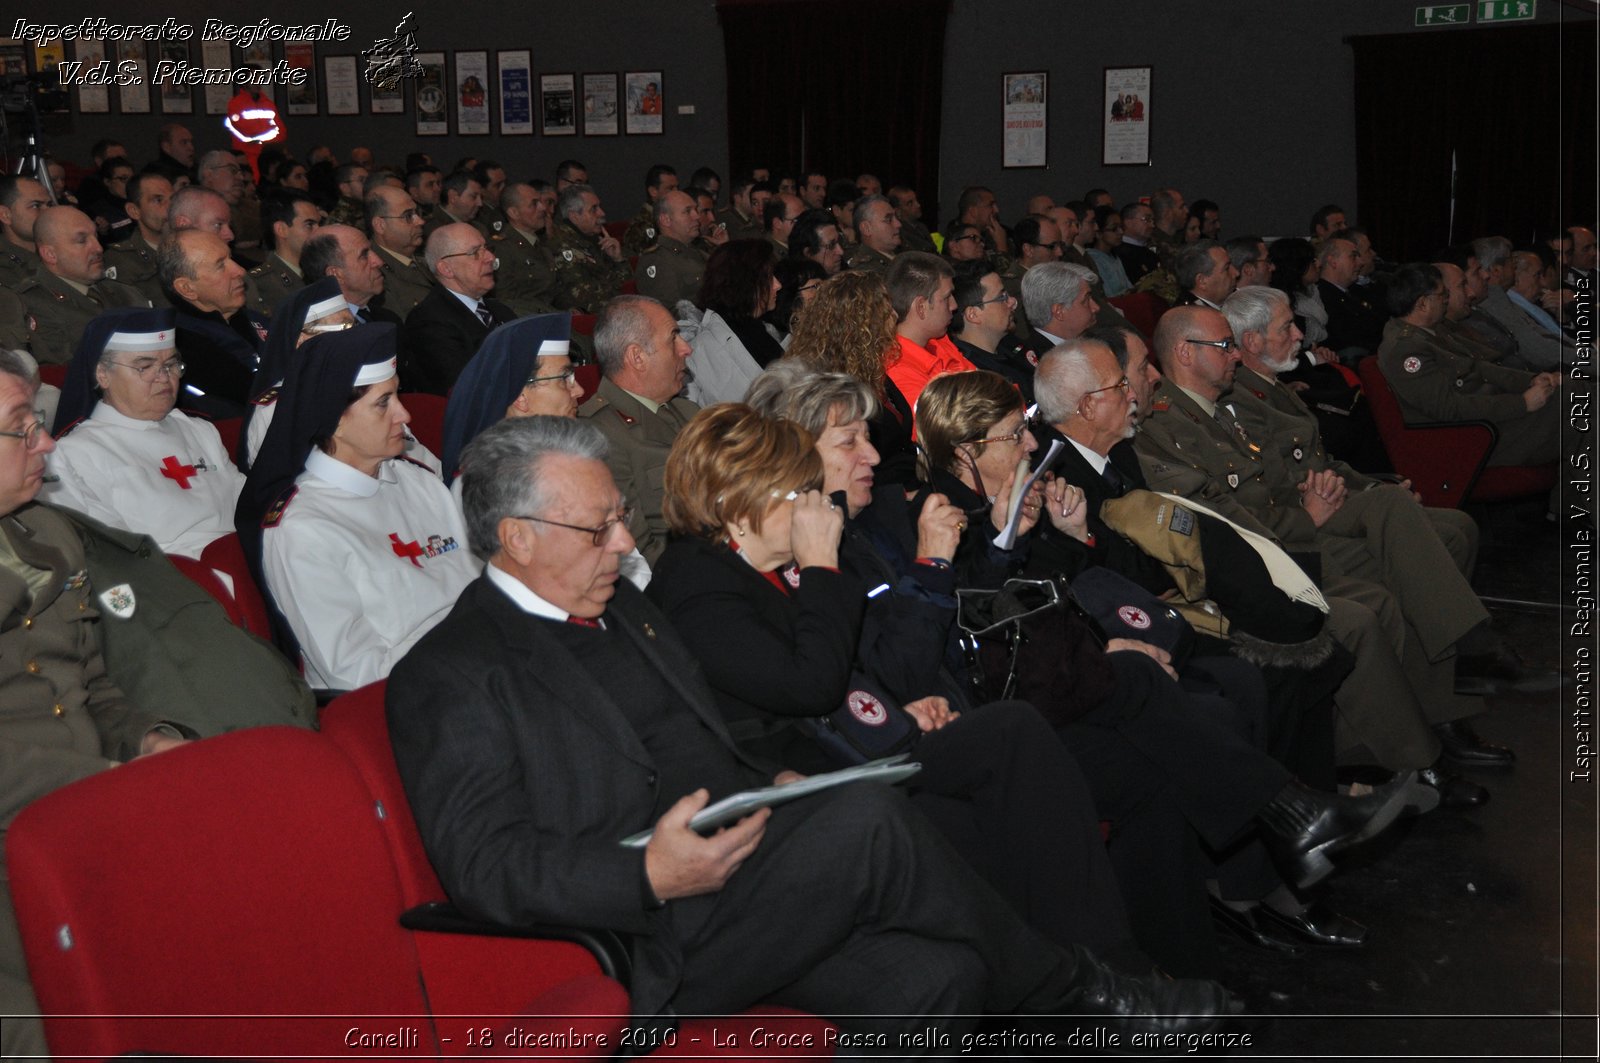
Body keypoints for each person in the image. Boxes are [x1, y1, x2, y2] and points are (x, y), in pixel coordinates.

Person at [387, 412, 1233, 1039]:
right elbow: (485, 864)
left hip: (740, 878)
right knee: (869, 819)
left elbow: (709, 740)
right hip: (644, 933)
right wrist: (648, 874)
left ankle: (1084, 988)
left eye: (618, 517)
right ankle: (1087, 993)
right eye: (598, 526)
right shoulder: (452, 672)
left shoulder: (623, 609)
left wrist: (774, 784)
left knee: (943, 973)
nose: (622, 541)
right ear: (516, 539)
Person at [648, 399, 1185, 967]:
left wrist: (897, 708)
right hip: (800, 787)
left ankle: (1131, 972)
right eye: (798, 494)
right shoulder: (700, 583)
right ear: (737, 504)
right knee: (1001, 759)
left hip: (870, 740)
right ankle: (1100, 981)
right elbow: (811, 687)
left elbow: (846, 676)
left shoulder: (765, 567)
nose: (815, 507)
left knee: (1123, 762)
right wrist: (823, 567)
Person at [912, 368, 1413, 948]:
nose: (1030, 442)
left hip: (1080, 656)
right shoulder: (940, 513)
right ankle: (1281, 848)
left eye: (1025, 427)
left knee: (1256, 677)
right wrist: (1014, 548)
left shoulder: (1017, 489)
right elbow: (978, 623)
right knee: (1210, 702)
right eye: (1012, 434)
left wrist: (1071, 533)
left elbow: (1079, 582)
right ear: (967, 450)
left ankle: (1278, 865)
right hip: (1032, 688)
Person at [0, 346, 191, 1060]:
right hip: (17, 838)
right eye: (22, 426)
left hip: (97, 813)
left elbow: (94, 688)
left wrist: (147, 741)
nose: (45, 441)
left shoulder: (49, 533)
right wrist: (104, 786)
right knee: (67, 1031)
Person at [237, 325, 477, 690]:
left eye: (398, 396)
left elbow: (476, 583)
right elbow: (353, 672)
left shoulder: (417, 479)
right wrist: (471, 651)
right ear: (333, 419)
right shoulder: (302, 528)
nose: (405, 416)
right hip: (414, 694)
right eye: (384, 403)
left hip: (480, 663)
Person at [43, 307, 244, 561]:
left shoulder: (197, 428)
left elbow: (246, 505)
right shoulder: (75, 453)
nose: (164, 378)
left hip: (241, 562)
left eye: (171, 364)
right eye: (145, 367)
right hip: (177, 581)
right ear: (102, 374)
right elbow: (115, 552)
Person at [576, 296, 699, 565]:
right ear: (637, 357)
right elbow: (637, 553)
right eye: (673, 338)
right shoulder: (599, 437)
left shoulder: (687, 412)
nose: (686, 348)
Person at [786, 271, 917, 488]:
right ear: (860, 324)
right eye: (886, 311)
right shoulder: (832, 390)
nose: (895, 315)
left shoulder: (869, 368)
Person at [399, 223, 517, 395]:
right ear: (446, 268)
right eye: (476, 252)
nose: (490, 257)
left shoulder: (499, 310)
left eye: (487, 248)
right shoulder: (428, 321)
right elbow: (465, 388)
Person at [676, 239, 786, 407]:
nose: (778, 285)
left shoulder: (756, 328)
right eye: (769, 277)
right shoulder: (707, 346)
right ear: (746, 283)